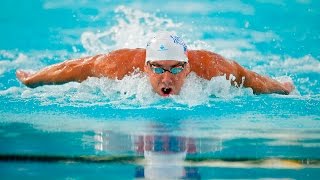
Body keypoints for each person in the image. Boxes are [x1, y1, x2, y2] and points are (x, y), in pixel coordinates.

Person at [16, 32, 294, 96]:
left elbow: (250, 78)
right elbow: (76, 68)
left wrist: (281, 88)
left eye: (175, 68)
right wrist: (34, 78)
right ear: (146, 67)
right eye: (159, 68)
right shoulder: (120, 66)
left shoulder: (211, 67)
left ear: (187, 67)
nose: (167, 78)